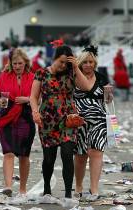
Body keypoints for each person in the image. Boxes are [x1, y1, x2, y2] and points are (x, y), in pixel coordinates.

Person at [30, 40, 93, 199]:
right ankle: (47, 190)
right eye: (61, 62)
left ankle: (67, 194)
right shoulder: (42, 73)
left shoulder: (71, 73)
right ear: (55, 58)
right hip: (47, 119)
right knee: (49, 158)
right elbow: (33, 96)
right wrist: (35, 112)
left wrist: (76, 67)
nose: (63, 66)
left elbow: (86, 87)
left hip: (68, 119)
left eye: (67, 63)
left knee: (67, 153)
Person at [0, 48, 36, 197]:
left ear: (25, 63)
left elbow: (39, 99)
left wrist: (27, 99)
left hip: (25, 116)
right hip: (6, 115)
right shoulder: (4, 76)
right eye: (14, 63)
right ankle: (8, 186)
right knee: (8, 152)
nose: (17, 66)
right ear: (10, 64)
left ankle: (23, 189)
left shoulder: (32, 77)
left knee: (24, 155)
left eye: (20, 63)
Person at [73, 46, 112, 200]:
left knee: (96, 153)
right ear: (80, 63)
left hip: (99, 120)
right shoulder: (74, 76)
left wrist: (109, 95)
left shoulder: (101, 77)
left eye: (91, 62)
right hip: (79, 121)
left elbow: (107, 101)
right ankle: (78, 186)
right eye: (85, 62)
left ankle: (94, 188)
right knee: (80, 155)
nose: (88, 65)